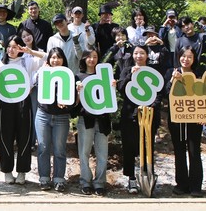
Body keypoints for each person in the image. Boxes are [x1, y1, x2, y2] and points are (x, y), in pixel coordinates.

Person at [118, 45, 162, 194]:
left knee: (148, 147)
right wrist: (130, 75)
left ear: (147, 55)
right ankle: (131, 179)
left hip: (149, 115)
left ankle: (148, 177)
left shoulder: (153, 71)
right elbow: (121, 89)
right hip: (130, 115)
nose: (139, 56)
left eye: (142, 53)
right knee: (129, 147)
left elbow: (159, 92)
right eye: (136, 53)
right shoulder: (127, 69)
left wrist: (151, 106)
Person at [164, 46, 204, 197]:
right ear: (178, 56)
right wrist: (173, 80)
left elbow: (203, 96)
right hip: (177, 119)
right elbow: (166, 93)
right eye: (183, 56)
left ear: (194, 59)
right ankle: (181, 184)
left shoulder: (199, 73)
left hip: (195, 119)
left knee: (194, 151)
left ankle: (196, 186)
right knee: (179, 151)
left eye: (189, 57)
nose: (186, 59)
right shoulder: (171, 72)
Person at [0, 35, 33, 185]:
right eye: (9, 47)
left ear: (20, 48)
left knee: (24, 136)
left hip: (23, 102)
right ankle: (7, 170)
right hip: (5, 103)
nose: (11, 50)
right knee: (6, 136)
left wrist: (29, 51)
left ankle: (22, 171)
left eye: (15, 47)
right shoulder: (0, 63)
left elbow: (45, 58)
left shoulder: (27, 61)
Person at [34, 47, 73, 193]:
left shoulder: (68, 75)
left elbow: (74, 100)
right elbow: (34, 84)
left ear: (63, 60)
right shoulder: (43, 73)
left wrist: (67, 104)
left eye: (58, 57)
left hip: (61, 117)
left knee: (59, 149)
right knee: (43, 148)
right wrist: (41, 72)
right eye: (53, 57)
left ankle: (59, 179)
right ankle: (44, 178)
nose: (55, 60)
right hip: (43, 115)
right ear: (49, 59)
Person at [76, 49, 113, 196]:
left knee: (102, 153)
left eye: (95, 57)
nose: (92, 59)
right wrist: (77, 92)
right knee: (84, 152)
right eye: (89, 57)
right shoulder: (78, 77)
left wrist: (112, 86)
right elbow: (75, 103)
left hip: (102, 119)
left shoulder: (104, 76)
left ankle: (99, 183)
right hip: (85, 119)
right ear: (84, 59)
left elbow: (110, 98)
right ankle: (85, 181)